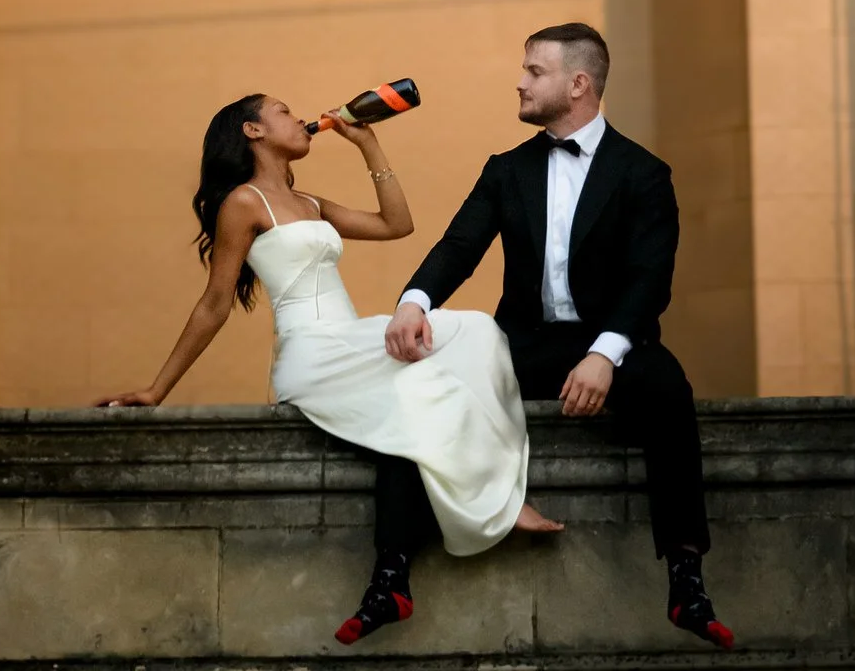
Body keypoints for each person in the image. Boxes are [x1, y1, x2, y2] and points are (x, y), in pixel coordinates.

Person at [99, 91, 562, 643]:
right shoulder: (244, 204)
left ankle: (430, 549)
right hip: (311, 354)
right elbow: (214, 303)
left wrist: (368, 144)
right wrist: (157, 389)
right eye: (282, 112)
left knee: (479, 330)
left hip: (352, 338)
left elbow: (398, 224)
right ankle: (499, 506)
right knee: (426, 383)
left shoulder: (312, 204)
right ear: (253, 131)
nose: (299, 118)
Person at [382, 23, 733, 650]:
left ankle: (686, 578)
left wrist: (604, 355)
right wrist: (414, 301)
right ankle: (391, 572)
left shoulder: (643, 173)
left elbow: (650, 280)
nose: (519, 82)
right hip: (522, 343)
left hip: (614, 344)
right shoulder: (506, 170)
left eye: (533, 72)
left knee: (668, 390)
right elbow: (459, 247)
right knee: (419, 380)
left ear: (578, 84)